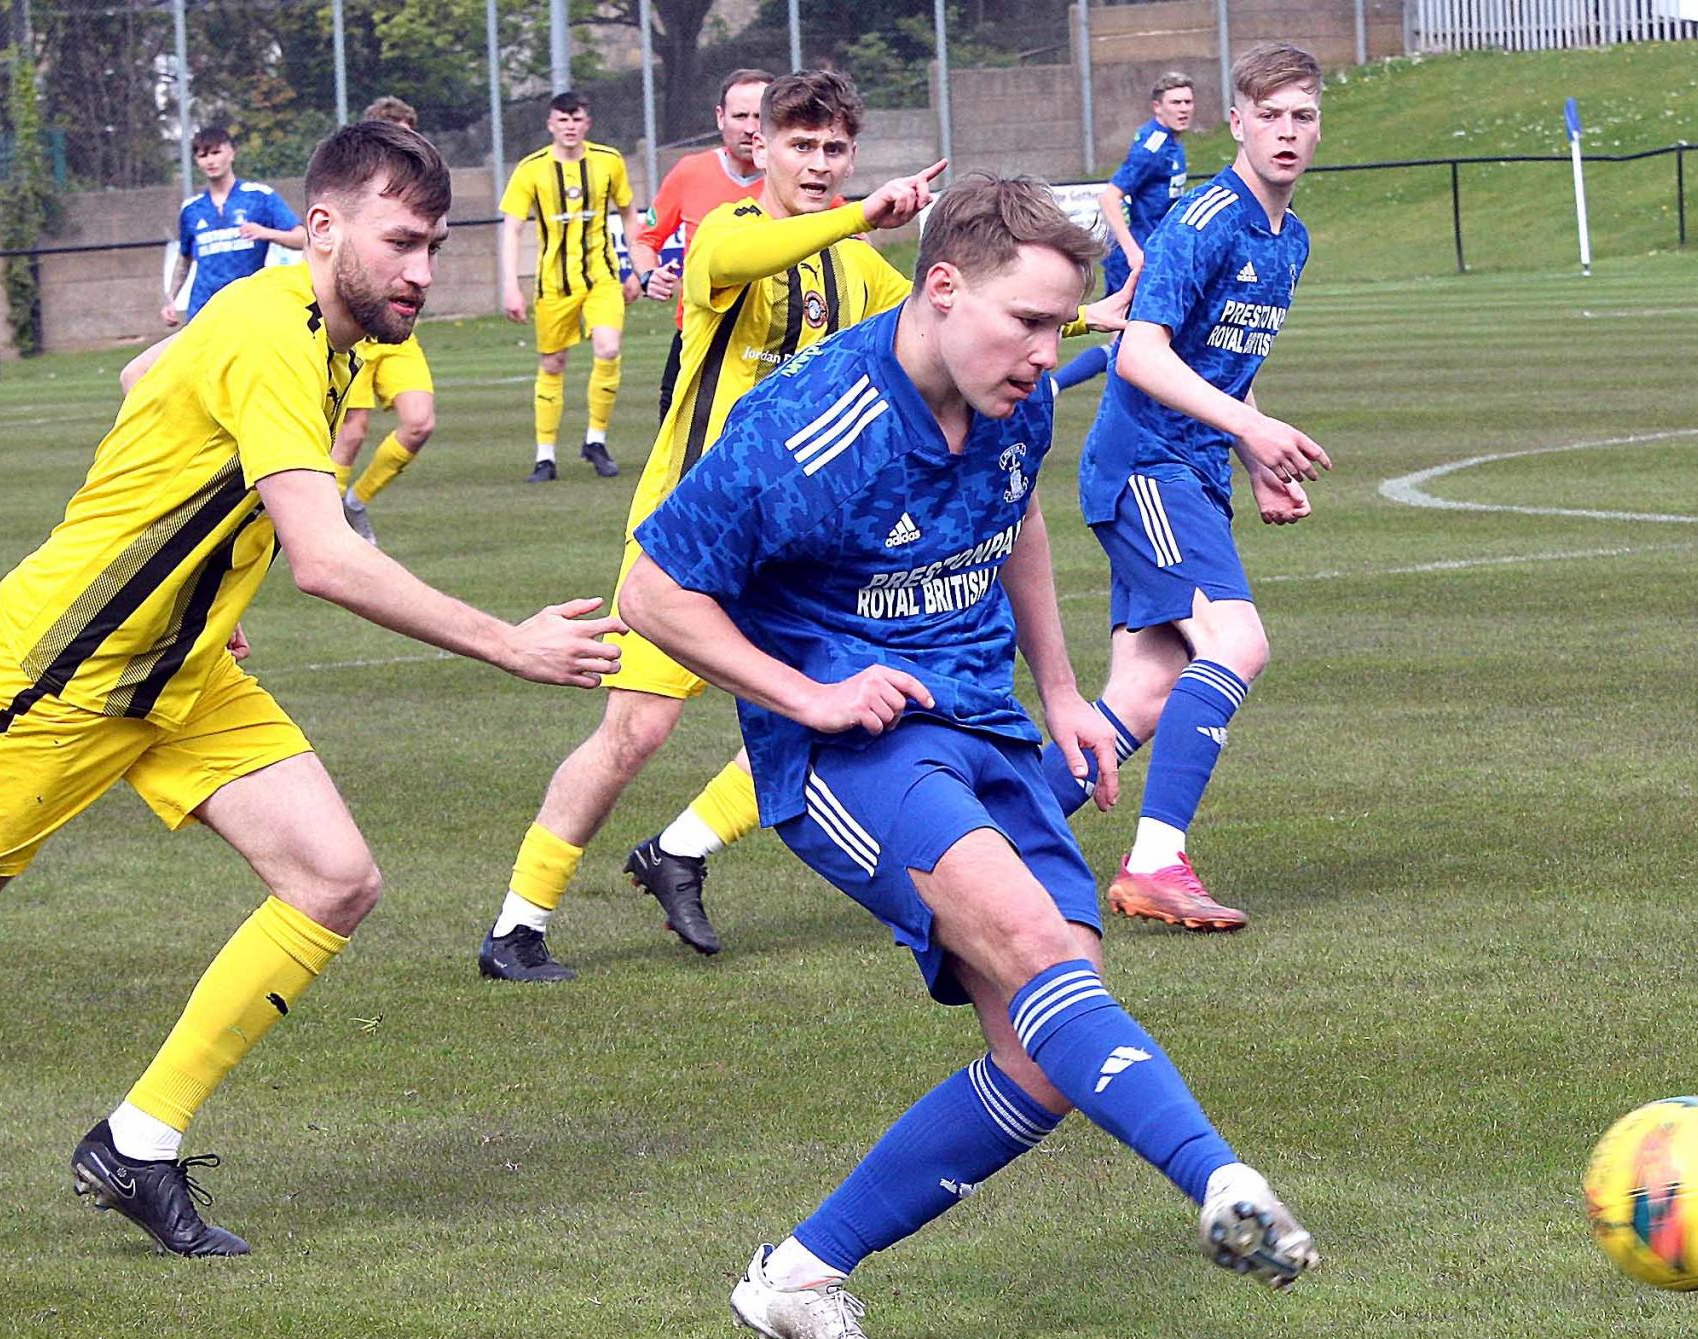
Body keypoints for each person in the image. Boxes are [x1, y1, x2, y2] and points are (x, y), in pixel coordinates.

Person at [0, 120, 620, 1257]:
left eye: (436, 247)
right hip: (65, 667)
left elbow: (141, 379)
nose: (421, 270)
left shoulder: (324, 330)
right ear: (322, 227)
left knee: (333, 878)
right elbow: (328, 555)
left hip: (185, 667)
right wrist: (511, 644)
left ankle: (139, 1142)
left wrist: (202, 572)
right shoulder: (275, 327)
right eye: (401, 242)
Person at [616, 174, 1318, 1339]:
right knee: (1044, 960)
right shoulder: (810, 421)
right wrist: (807, 696)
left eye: (1062, 328)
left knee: (1048, 1054)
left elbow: (1022, 522)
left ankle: (799, 1272)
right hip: (849, 749)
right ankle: (1223, 1184)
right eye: (1028, 323)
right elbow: (652, 592)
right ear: (942, 288)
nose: (1049, 354)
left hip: (989, 726)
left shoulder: (1013, 398)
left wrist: (1060, 696)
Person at [480, 71, 1131, 979]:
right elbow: (741, 266)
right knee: (638, 730)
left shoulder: (859, 265)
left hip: (810, 547)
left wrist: (1069, 318)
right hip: (699, 539)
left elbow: (939, 316)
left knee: (846, 708)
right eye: (798, 145)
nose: (818, 165)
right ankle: (519, 919)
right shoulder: (730, 232)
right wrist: (862, 215)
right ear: (758, 149)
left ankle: (682, 847)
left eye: (835, 150)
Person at [1061, 43, 1332, 931]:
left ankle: (973, 837)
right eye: (1272, 116)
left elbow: (1221, 362)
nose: (1288, 132)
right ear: (1240, 123)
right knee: (1237, 641)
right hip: (1146, 464)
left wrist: (1253, 454)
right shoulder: (1207, 216)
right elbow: (1140, 350)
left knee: (1139, 696)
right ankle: (1152, 863)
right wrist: (1250, 430)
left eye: (1304, 116)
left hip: (1191, 469)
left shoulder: (1287, 238)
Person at [499, 91, 647, 483]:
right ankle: (545, 456)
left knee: (609, 347)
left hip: (602, 277)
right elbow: (512, 228)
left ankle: (595, 440)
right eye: (562, 120)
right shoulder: (531, 169)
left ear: (587, 123)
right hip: (554, 284)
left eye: (576, 119)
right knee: (553, 363)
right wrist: (510, 285)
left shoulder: (609, 161)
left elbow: (631, 216)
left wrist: (635, 268)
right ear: (550, 124)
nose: (569, 126)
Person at [637, 68, 774, 423]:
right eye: (740, 115)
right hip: (699, 337)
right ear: (720, 117)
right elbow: (645, 239)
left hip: (774, 343)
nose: (750, 127)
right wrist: (648, 275)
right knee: (678, 459)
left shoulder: (797, 176)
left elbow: (852, 240)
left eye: (760, 116)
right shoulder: (689, 172)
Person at [1051, 72, 1195, 397]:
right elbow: (1110, 197)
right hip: (1135, 259)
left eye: (1188, 101)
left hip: (1153, 255)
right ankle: (1058, 387)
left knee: (1135, 339)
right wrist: (1132, 251)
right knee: (1130, 338)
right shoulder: (1153, 147)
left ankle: (1058, 386)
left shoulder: (1171, 143)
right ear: (1158, 107)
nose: (1184, 108)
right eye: (1176, 102)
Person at [333, 97, 437, 543]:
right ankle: (328, 526)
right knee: (351, 433)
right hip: (355, 333)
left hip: (395, 334)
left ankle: (355, 503)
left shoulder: (427, 200)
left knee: (419, 423)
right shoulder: (353, 194)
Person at [162, 125, 307, 328]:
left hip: (250, 308)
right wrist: (171, 300)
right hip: (203, 311)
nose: (210, 160)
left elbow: (302, 239)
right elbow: (184, 261)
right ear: (197, 161)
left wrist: (266, 233)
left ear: (232, 153)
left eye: (216, 152)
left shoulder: (259, 196)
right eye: (203, 155)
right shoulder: (191, 209)